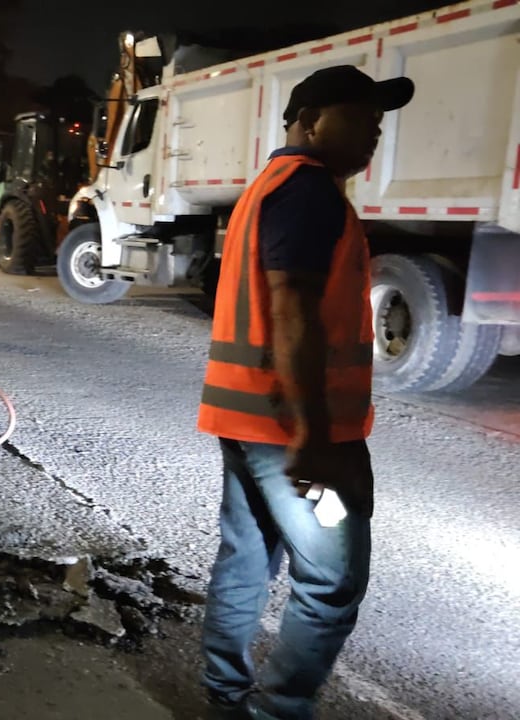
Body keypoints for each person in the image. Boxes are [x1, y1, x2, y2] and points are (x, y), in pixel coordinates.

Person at [196, 65, 414, 720]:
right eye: (361, 115)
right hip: (295, 432)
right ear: (309, 118)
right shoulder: (310, 192)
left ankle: (224, 699)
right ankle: (277, 712)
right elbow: (291, 310)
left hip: (245, 418)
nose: (375, 130)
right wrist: (314, 436)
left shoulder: (271, 184)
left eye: (380, 120)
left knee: (246, 560)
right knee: (331, 583)